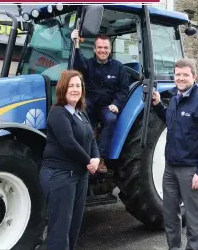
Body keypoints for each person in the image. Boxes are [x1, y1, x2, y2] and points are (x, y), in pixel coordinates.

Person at [152, 59, 198, 250]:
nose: (180, 78)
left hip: (190, 170)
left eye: (185, 75)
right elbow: (170, 122)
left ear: (194, 77)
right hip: (170, 169)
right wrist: (158, 105)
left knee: (192, 215)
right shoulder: (174, 99)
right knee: (170, 214)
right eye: (178, 75)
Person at [39, 70, 100, 250]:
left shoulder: (81, 113)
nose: (75, 89)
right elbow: (68, 143)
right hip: (60, 175)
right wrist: (90, 161)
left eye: (78, 86)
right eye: (71, 86)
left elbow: (91, 138)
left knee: (74, 227)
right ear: (63, 89)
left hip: (79, 175)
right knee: (60, 230)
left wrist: (96, 157)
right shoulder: (58, 113)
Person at [71, 29, 130, 172]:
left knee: (111, 119)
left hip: (107, 105)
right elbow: (78, 67)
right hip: (90, 103)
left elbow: (124, 89)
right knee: (79, 116)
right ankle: (81, 155)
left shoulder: (118, 67)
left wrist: (116, 104)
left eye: (105, 48)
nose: (102, 50)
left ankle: (101, 158)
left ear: (110, 50)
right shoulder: (88, 64)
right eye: (99, 47)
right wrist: (76, 44)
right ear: (94, 49)